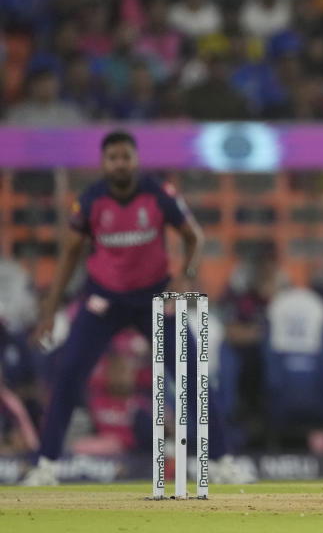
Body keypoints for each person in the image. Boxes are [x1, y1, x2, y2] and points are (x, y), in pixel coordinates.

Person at [21, 130, 252, 485]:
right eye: (113, 158)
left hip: (154, 297)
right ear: (103, 163)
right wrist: (51, 312)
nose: (119, 164)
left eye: (125, 157)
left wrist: (185, 278)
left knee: (192, 375)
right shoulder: (90, 201)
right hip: (104, 300)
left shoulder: (158, 194)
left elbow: (195, 237)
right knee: (67, 375)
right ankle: (45, 465)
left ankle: (220, 462)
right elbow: (69, 255)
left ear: (136, 159)